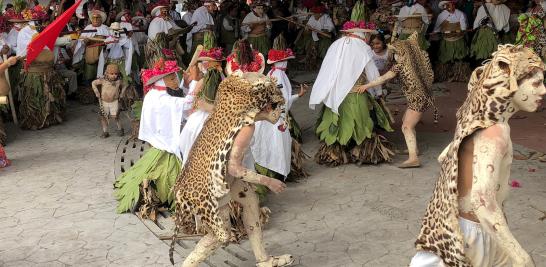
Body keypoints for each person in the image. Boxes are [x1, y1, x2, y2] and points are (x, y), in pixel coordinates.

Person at [410, 44, 544, 267]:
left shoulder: (477, 119)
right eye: (536, 83)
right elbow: (481, 201)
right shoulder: (495, 133)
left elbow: (446, 156)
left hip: (474, 228)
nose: (543, 91)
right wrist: (521, 257)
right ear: (511, 86)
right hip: (474, 234)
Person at [171, 72, 294, 267]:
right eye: (277, 108)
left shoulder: (232, 113)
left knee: (251, 201)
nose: (279, 113)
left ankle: (263, 260)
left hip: (220, 176)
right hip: (210, 183)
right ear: (267, 107)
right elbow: (235, 168)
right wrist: (269, 181)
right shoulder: (247, 127)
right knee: (220, 235)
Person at [309, 21, 394, 166]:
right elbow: (371, 72)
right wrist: (378, 92)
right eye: (367, 34)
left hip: (335, 92)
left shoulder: (336, 44)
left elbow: (327, 69)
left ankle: (335, 151)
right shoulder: (363, 48)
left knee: (338, 122)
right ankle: (362, 152)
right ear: (363, 34)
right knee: (361, 123)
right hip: (356, 92)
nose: (368, 38)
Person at [114, 59, 191, 217]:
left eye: (176, 77)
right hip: (165, 146)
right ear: (162, 80)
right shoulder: (165, 100)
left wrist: (185, 85)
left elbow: (179, 101)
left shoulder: (153, 94)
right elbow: (187, 104)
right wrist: (196, 85)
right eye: (172, 78)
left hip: (156, 144)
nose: (176, 81)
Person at [358, 32, 437, 168]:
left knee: (407, 126)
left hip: (417, 98)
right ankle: (414, 149)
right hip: (425, 96)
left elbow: (384, 78)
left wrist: (366, 85)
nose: (394, 56)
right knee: (406, 121)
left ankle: (413, 158)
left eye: (395, 53)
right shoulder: (422, 56)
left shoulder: (400, 65)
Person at [252, 35, 308, 180]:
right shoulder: (280, 75)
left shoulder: (270, 73)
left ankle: (272, 171)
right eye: (286, 61)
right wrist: (298, 96)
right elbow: (283, 101)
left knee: (268, 143)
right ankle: (278, 173)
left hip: (268, 114)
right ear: (282, 61)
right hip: (277, 116)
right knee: (278, 144)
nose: (287, 64)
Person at [17, 6, 71, 130]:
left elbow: (48, 43)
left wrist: (66, 39)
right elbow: (27, 49)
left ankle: (50, 118)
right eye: (37, 19)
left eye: (41, 19)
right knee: (36, 98)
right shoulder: (24, 32)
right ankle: (36, 120)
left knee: (50, 96)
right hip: (34, 72)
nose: (40, 21)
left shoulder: (40, 29)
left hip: (48, 70)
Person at [179, 45, 225, 163]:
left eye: (203, 62)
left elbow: (188, 103)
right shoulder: (225, 80)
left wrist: (193, 81)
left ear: (206, 65)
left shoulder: (201, 81)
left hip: (201, 119)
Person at [433, 0, 470, 82]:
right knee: (445, 58)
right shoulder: (441, 16)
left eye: (452, 4)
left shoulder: (460, 14)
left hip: (458, 40)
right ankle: (444, 75)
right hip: (446, 40)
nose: (451, 6)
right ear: (445, 6)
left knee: (459, 58)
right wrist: (435, 33)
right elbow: (437, 29)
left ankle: (459, 75)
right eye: (448, 5)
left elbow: (464, 27)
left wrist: (462, 31)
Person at [73, 9, 110, 84]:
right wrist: (84, 41)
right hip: (90, 54)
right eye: (94, 18)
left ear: (101, 19)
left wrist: (106, 43)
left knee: (101, 71)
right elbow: (81, 42)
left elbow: (110, 41)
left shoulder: (106, 28)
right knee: (89, 73)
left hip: (102, 53)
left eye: (98, 18)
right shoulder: (88, 28)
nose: (95, 20)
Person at [92, 64, 127, 138]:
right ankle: (105, 132)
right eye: (112, 74)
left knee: (116, 117)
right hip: (104, 102)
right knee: (103, 117)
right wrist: (96, 92)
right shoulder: (103, 80)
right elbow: (93, 83)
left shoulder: (118, 81)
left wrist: (122, 93)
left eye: (116, 74)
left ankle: (120, 129)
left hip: (114, 102)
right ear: (107, 73)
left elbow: (125, 85)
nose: (114, 75)